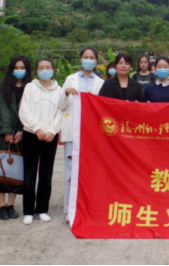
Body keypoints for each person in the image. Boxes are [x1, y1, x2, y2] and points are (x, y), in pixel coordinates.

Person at [59, 47, 104, 223]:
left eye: (92, 57)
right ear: (80, 60)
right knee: (70, 172)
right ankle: (69, 209)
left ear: (96, 61)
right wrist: (66, 93)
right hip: (73, 131)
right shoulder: (70, 79)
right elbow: (61, 105)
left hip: (92, 132)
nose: (88, 60)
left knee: (91, 170)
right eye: (86, 57)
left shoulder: (100, 83)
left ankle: (89, 206)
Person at [0, 56, 31, 221]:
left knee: (16, 169)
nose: (19, 70)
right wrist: (7, 131)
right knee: (1, 167)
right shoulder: (2, 87)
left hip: (22, 134)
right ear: (11, 70)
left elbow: (30, 110)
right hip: (3, 134)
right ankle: (1, 205)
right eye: (16, 67)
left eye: (22, 67)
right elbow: (2, 110)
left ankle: (11, 205)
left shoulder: (30, 88)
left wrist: (23, 131)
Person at [19, 59, 64, 226]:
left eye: (48, 67)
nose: (45, 70)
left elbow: (61, 112)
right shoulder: (30, 87)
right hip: (32, 134)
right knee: (29, 173)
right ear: (37, 71)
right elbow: (24, 111)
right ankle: (28, 211)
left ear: (53, 69)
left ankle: (42, 209)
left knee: (46, 173)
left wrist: (52, 131)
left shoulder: (59, 90)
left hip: (50, 137)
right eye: (41, 68)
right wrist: (36, 128)